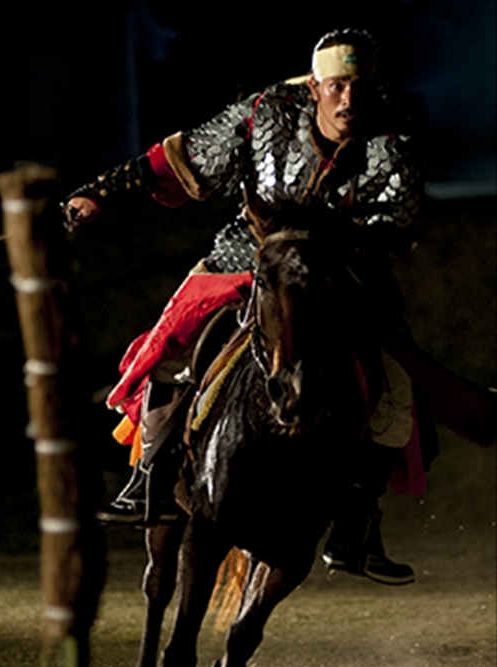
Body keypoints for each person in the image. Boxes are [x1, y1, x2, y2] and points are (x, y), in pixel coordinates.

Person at [63, 28, 430, 585]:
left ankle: (356, 525)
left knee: (395, 385)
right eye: (337, 87)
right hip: (244, 259)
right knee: (168, 346)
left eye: (359, 87)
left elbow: (398, 220)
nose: (349, 101)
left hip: (340, 278)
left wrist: (335, 242)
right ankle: (153, 480)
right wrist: (101, 193)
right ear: (314, 87)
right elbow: (181, 158)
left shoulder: (393, 139)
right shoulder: (264, 113)